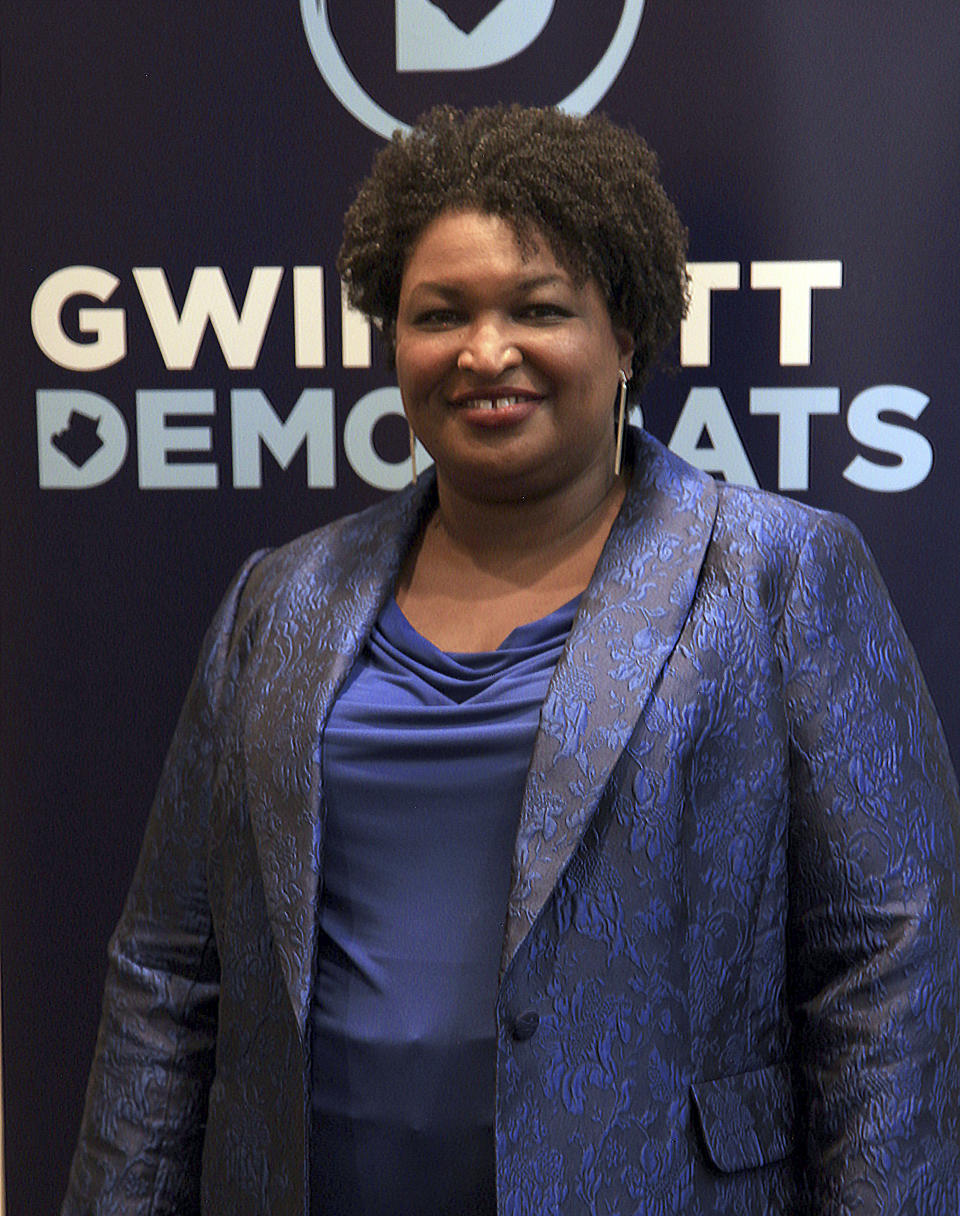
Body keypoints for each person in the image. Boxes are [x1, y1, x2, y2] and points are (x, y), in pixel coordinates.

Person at [63, 105, 960, 1215]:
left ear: (626, 335)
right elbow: (166, 970)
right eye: (441, 314)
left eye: (538, 309)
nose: (486, 352)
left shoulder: (782, 576)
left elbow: (884, 972)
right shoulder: (279, 600)